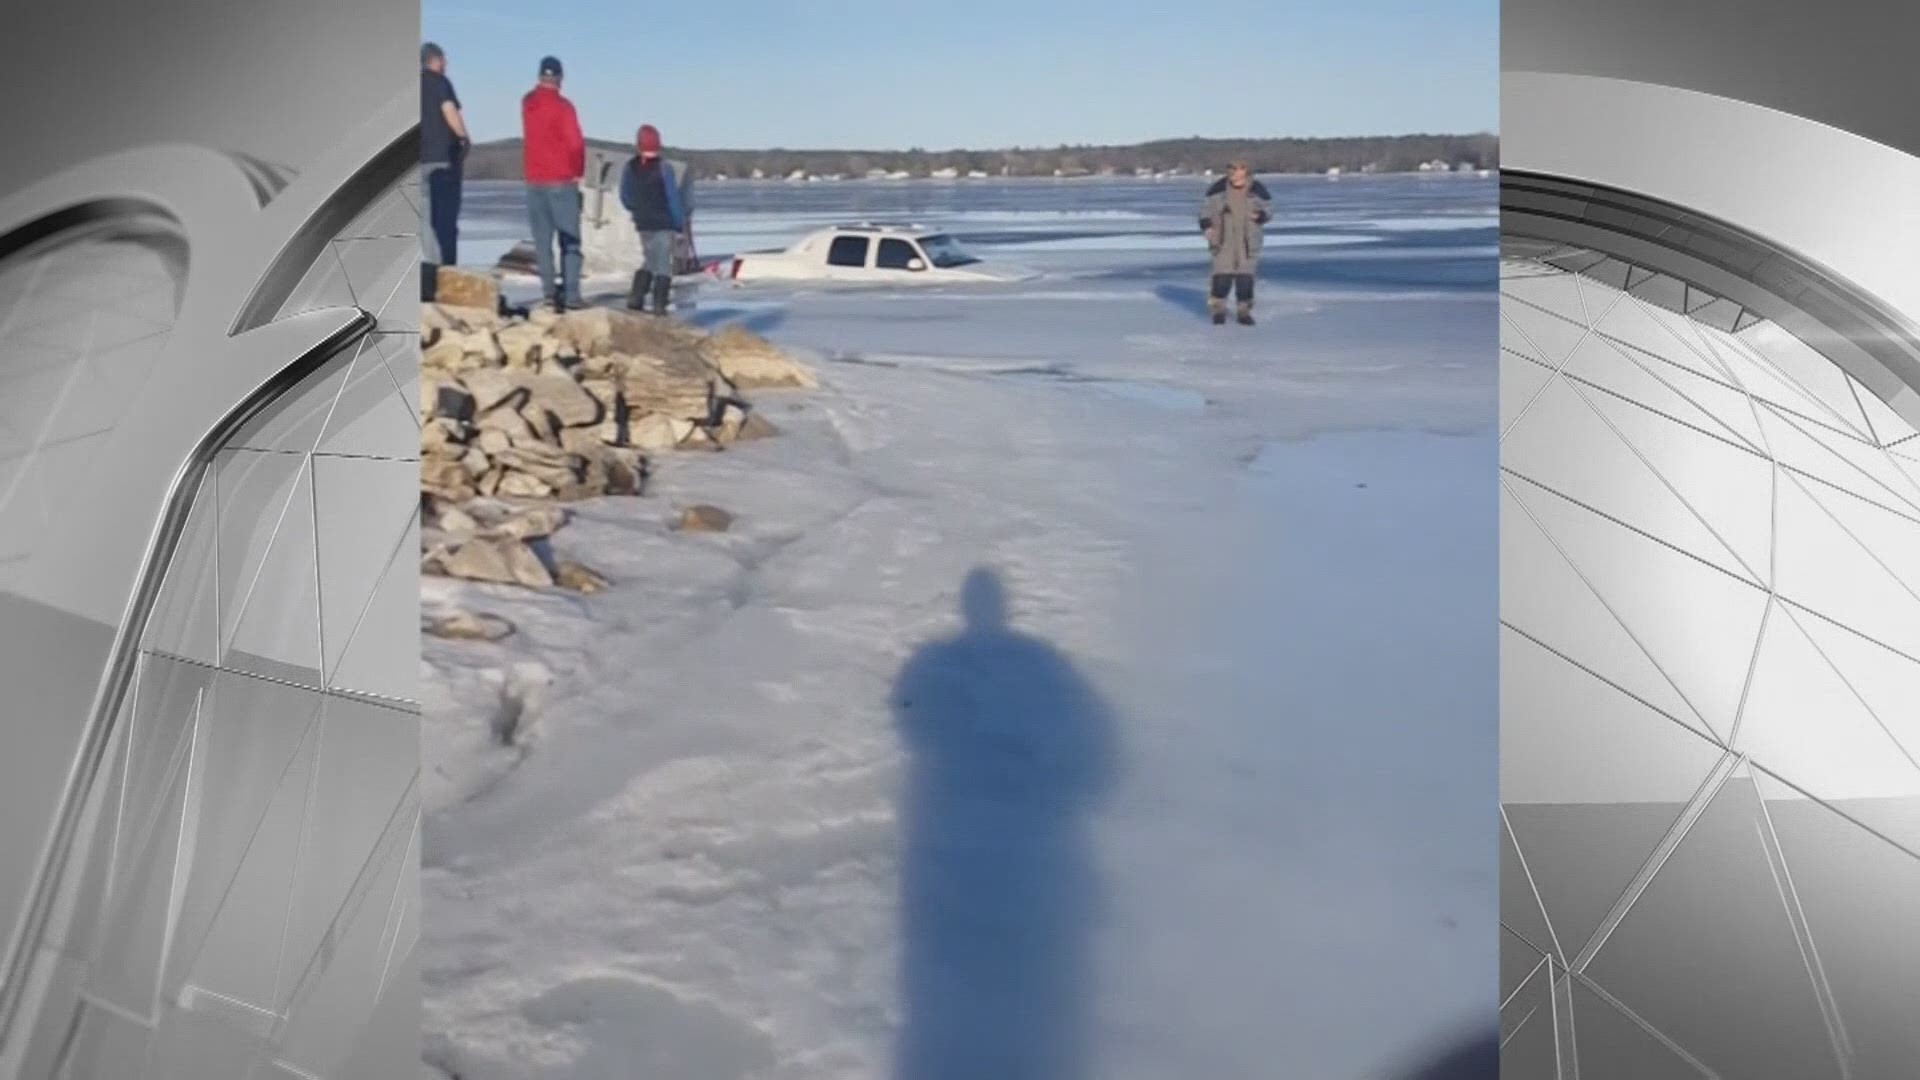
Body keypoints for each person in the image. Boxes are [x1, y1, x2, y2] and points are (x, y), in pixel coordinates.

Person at [520, 55, 586, 310]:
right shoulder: (564, 107)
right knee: (570, 241)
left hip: (534, 181)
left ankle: (548, 294)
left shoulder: (528, 103)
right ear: (559, 78)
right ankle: (571, 296)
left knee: (542, 243)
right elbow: (575, 143)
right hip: (561, 181)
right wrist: (577, 171)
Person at [618, 124, 695, 315]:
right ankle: (660, 304)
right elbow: (672, 198)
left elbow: (625, 195)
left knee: (650, 259)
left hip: (643, 221)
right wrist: (679, 222)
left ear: (639, 144)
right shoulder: (664, 168)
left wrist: (635, 210)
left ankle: (636, 297)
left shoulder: (630, 167)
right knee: (662, 265)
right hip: (663, 222)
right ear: (658, 144)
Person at [419, 42, 469, 302]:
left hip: (417, 161)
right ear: (436, 61)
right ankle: (444, 275)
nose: (446, 64)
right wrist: (462, 137)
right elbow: (449, 110)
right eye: (444, 60)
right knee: (445, 221)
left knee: (425, 222)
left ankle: (428, 277)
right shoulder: (440, 82)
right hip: (441, 160)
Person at [1198, 161, 1272, 326]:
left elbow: (1268, 210)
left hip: (1248, 241)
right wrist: (1206, 225)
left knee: (1245, 279)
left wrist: (1261, 216)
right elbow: (1204, 211)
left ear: (1245, 171)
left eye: (1237, 169)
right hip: (1223, 240)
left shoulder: (1257, 190)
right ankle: (1218, 310)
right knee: (1221, 279)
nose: (1233, 173)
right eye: (1230, 169)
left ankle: (1244, 311)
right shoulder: (1217, 189)